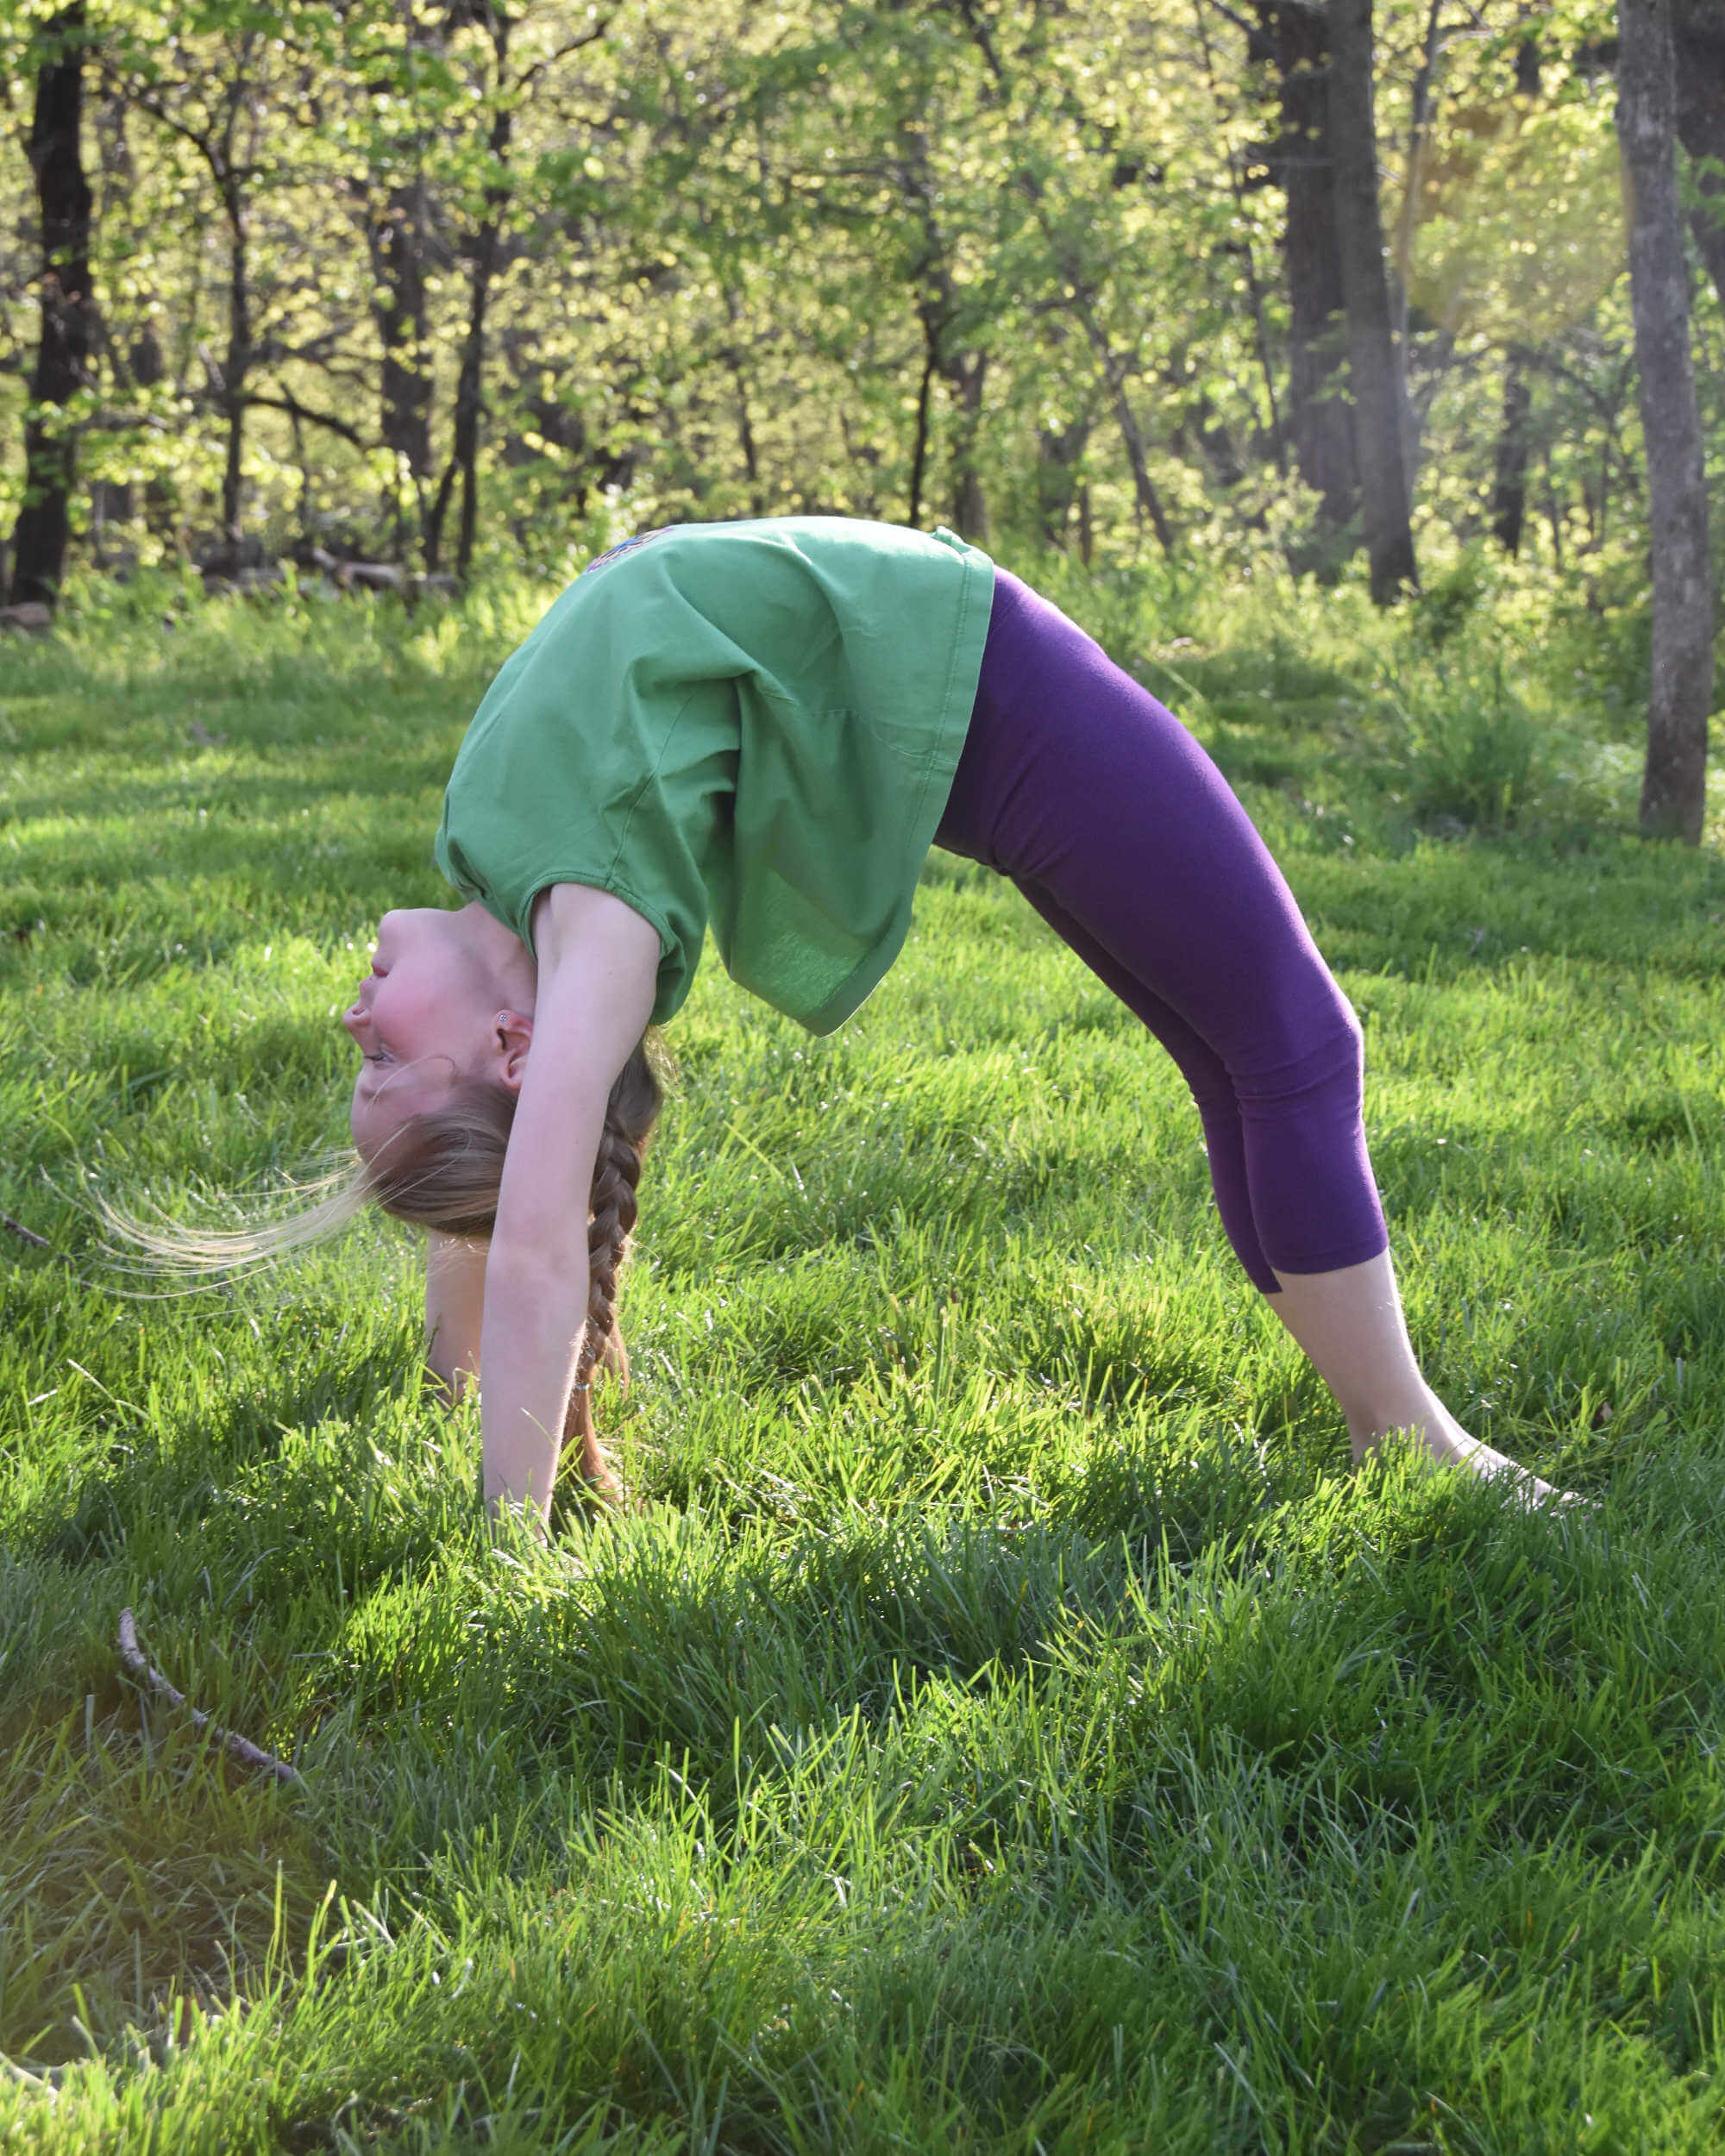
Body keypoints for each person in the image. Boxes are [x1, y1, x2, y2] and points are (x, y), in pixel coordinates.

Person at [312, 516, 1559, 1525]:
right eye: (380, 1057)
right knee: (1296, 1046)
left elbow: (503, 1185)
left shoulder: (490, 855)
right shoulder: (592, 932)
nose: (353, 1014)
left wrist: (450, 1373)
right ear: (507, 1051)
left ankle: (1389, 1432)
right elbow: (530, 1231)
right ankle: (1409, 1440)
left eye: (360, 1054)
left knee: (1242, 1053)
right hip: (998, 692)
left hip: (950, 687)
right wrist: (508, 1537)